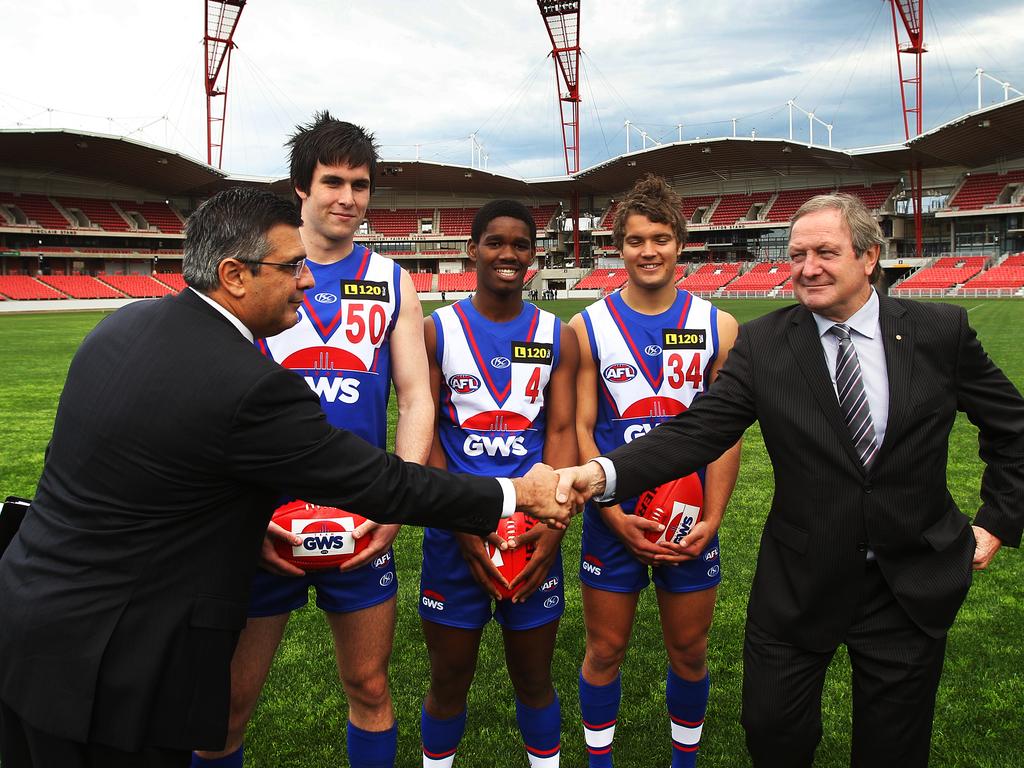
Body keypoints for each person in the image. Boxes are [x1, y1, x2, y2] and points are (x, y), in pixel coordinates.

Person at [0, 187, 571, 768]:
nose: (306, 280)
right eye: (291, 266)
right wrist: (515, 493)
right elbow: (382, 484)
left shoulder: (120, 326)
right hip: (110, 665)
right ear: (235, 275)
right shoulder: (247, 381)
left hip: (27, 621)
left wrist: (248, 527)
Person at [555, 193, 1024, 768]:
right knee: (773, 733)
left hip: (908, 583)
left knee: (893, 750)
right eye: (797, 253)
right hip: (800, 580)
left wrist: (997, 521)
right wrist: (600, 474)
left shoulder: (939, 330)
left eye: (825, 252)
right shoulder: (767, 343)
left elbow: (1013, 430)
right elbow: (698, 432)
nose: (806, 267)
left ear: (869, 256)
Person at [193, 112, 426, 768]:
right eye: (332, 181)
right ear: (301, 187)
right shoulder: (254, 267)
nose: (347, 197)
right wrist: (242, 512)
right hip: (257, 517)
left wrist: (396, 500)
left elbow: (416, 397)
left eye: (360, 184)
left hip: (358, 511)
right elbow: (207, 399)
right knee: (226, 706)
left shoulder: (392, 281)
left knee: (370, 685)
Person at [569, 175, 740, 768]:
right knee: (605, 648)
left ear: (680, 245)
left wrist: (713, 518)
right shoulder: (587, 328)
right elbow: (581, 432)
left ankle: (684, 762)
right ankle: (598, 762)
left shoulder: (718, 326)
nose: (649, 251)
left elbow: (724, 436)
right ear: (619, 246)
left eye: (661, 238)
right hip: (613, 517)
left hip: (691, 518)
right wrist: (612, 517)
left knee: (690, 649)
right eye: (636, 239)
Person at [418, 200, 579, 768]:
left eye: (520, 244)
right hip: (454, 537)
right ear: (472, 249)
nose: (507, 254)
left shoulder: (557, 336)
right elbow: (428, 435)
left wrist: (550, 526)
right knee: (448, 681)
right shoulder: (436, 333)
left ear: (533, 255)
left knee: (535, 679)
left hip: (533, 533)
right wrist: (460, 523)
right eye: (495, 242)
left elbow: (560, 432)